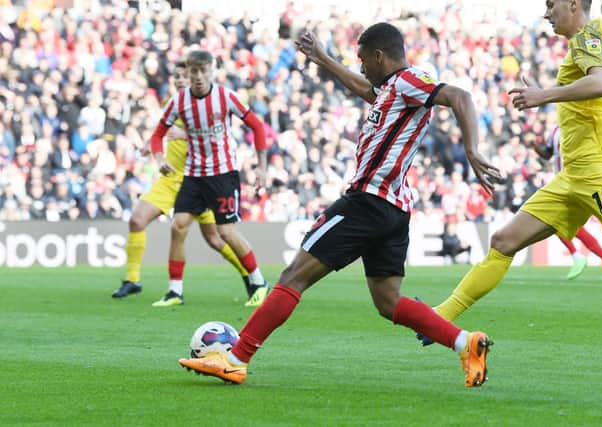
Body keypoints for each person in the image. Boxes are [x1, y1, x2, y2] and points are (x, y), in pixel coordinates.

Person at [178, 23, 501, 387]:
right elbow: (366, 89)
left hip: (367, 202)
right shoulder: (393, 89)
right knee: (388, 301)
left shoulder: (410, 81)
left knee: (292, 277)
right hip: (393, 208)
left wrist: (472, 150)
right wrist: (323, 59)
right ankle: (465, 343)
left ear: (379, 56)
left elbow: (460, 97)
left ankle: (236, 358)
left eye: (363, 59)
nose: (361, 67)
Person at [433, 0, 602, 324]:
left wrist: (543, 95)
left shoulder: (590, 33)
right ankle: (440, 318)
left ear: (573, 4)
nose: (546, 14)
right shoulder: (597, 41)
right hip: (572, 175)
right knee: (503, 241)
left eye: (551, 4)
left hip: (601, 168)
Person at [112, 60, 267, 308]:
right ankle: (139, 281)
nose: (182, 80)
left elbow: (217, 133)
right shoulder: (175, 104)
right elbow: (160, 133)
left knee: (218, 239)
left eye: (187, 75)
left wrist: (182, 134)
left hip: (205, 176)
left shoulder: (215, 102)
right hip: (173, 179)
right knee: (140, 221)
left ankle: (252, 279)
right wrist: (154, 149)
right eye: (178, 76)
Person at [531, 125, 602, 282]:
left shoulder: (581, 125)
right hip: (563, 184)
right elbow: (548, 153)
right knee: (558, 223)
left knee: (555, 222)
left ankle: (582, 257)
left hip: (579, 183)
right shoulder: (555, 129)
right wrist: (536, 147)